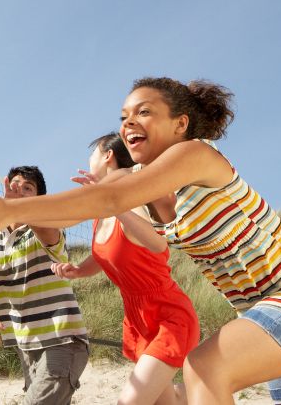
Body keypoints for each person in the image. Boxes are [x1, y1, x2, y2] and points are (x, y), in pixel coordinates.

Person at [0, 77, 281, 405]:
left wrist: (10, 210)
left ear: (180, 124)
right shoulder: (138, 183)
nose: (128, 122)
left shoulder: (195, 155)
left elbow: (109, 198)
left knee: (204, 368)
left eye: (143, 111)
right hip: (260, 310)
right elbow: (82, 210)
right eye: (124, 115)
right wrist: (13, 211)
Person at [51, 132, 199, 405]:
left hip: (169, 314)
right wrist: (79, 270)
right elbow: (109, 254)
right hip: (138, 317)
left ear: (107, 155)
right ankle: (200, 393)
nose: (88, 159)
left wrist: (116, 205)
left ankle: (204, 389)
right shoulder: (102, 213)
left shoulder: (132, 197)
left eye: (92, 153)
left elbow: (158, 245)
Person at [0, 165, 89, 405]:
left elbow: (47, 230)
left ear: (39, 198)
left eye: (27, 189)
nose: (20, 192)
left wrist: (18, 209)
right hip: (25, 345)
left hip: (63, 340)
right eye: (14, 187)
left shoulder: (47, 225)